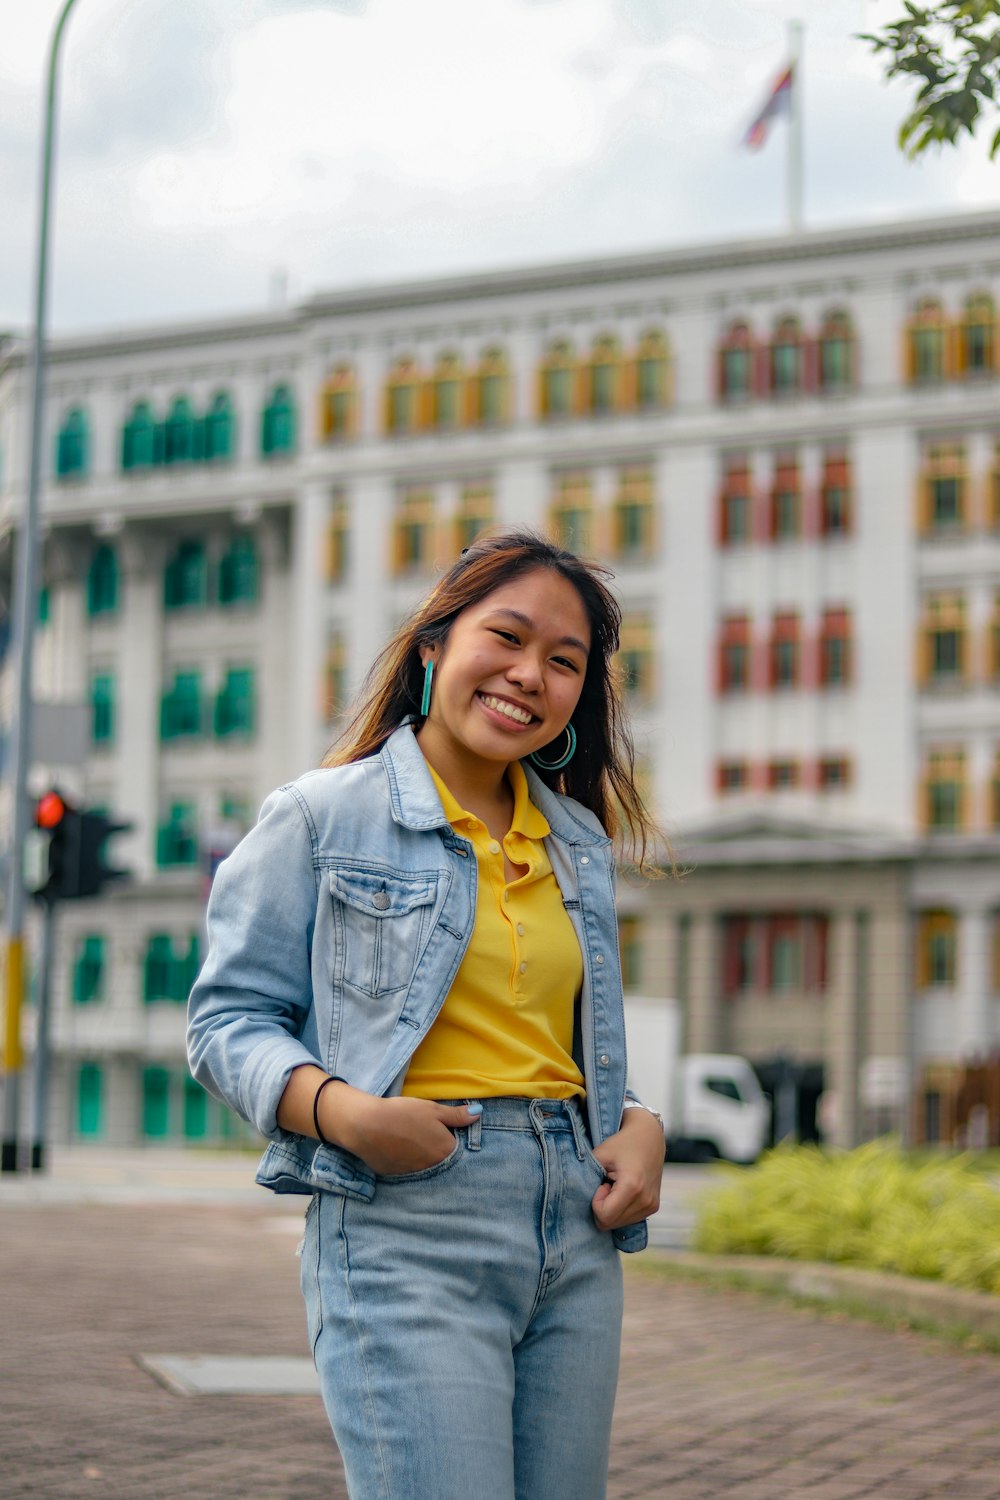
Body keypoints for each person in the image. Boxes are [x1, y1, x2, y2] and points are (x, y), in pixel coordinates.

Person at [187, 528, 666, 1500]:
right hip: (406, 1221)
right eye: (509, 637)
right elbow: (224, 1022)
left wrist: (637, 1122)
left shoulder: (574, 840)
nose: (531, 675)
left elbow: (566, 1035)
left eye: (564, 662)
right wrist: (345, 1114)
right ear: (434, 643)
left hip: (574, 1228)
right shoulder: (321, 815)